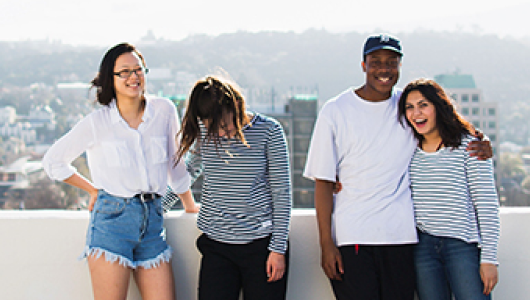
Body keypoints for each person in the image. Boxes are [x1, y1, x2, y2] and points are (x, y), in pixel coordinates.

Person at [303, 33, 493, 300]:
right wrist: (326, 244)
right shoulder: (335, 110)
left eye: (391, 62)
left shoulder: (408, 107)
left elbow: (445, 126)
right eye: (376, 61)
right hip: (353, 238)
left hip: (403, 239)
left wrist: (482, 140)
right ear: (363, 65)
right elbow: (323, 181)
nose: (384, 69)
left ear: (400, 66)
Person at [42, 42, 199, 300]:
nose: (133, 77)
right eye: (124, 72)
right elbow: (53, 162)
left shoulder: (164, 110)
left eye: (138, 69)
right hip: (111, 223)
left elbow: (175, 164)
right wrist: (92, 189)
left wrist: (190, 206)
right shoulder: (97, 122)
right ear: (110, 79)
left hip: (153, 223)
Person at [163, 74, 292, 300]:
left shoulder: (269, 131)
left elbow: (282, 192)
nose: (220, 134)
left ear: (236, 106)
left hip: (261, 247)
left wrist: (277, 249)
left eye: (224, 125)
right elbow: (189, 171)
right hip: (216, 247)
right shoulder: (206, 130)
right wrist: (158, 209)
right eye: (213, 128)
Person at [397, 78, 500, 299]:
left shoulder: (471, 145)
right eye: (410, 107)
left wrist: (489, 259)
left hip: (462, 246)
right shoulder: (408, 149)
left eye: (423, 105)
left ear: (439, 106)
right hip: (423, 248)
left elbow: (486, 203)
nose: (417, 113)